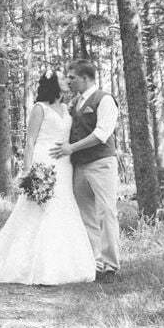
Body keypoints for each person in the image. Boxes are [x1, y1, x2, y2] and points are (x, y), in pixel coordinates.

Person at [0, 72, 95, 285]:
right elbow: (30, 141)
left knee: (64, 206)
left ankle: (67, 265)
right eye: (63, 78)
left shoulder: (66, 109)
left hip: (64, 164)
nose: (67, 81)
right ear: (53, 83)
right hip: (43, 161)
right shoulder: (40, 108)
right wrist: (29, 171)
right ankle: (38, 267)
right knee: (41, 208)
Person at [50, 58, 121, 283]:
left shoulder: (104, 99)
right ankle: (94, 262)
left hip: (101, 163)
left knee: (106, 212)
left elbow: (102, 134)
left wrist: (71, 148)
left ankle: (111, 266)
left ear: (85, 78)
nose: (68, 82)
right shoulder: (74, 104)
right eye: (67, 78)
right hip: (79, 167)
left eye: (72, 78)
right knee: (85, 215)